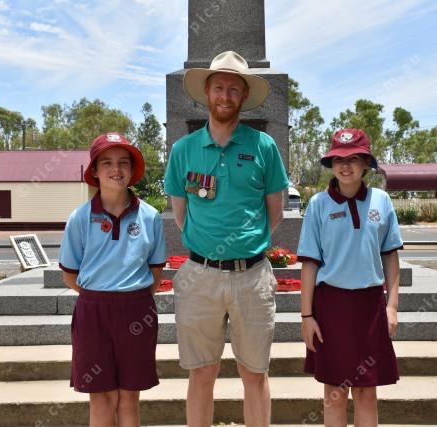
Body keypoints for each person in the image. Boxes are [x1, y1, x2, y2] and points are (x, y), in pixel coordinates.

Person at [164, 50, 289, 427]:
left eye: (234, 89)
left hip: (252, 277)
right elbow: (181, 214)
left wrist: (244, 247)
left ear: (244, 95)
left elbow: (275, 212)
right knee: (202, 372)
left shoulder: (263, 147)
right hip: (200, 277)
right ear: (206, 92)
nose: (225, 95)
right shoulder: (183, 150)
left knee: (255, 373)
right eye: (218, 87)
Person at [59, 132, 166, 427]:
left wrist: (128, 297)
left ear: (132, 170)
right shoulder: (79, 218)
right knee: (101, 397)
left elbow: (155, 274)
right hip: (93, 312)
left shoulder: (150, 217)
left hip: (137, 310)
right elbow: (70, 275)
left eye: (123, 162)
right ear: (94, 170)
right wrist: (102, 295)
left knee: (130, 397)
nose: (115, 169)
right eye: (106, 162)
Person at [297, 129, 403, 427]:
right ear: (331, 164)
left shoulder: (381, 200)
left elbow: (390, 256)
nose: (345, 166)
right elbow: (309, 264)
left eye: (354, 158)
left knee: (367, 392)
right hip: (330, 307)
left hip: (370, 306)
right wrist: (306, 316)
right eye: (338, 159)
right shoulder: (319, 204)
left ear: (366, 163)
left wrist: (392, 306)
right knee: (335, 392)